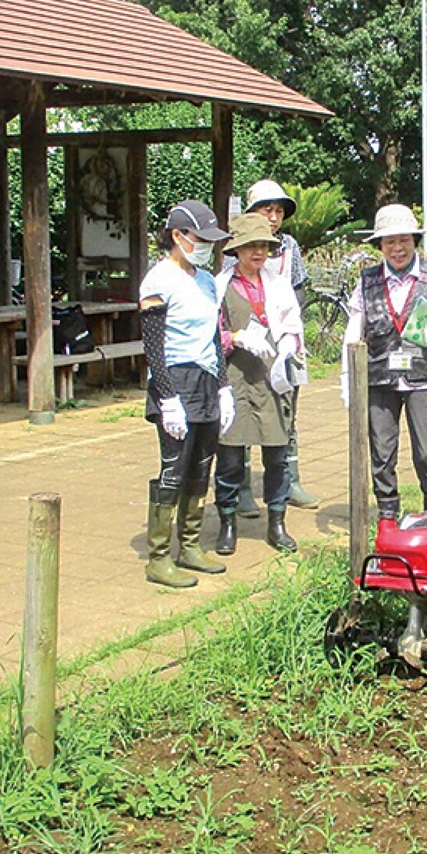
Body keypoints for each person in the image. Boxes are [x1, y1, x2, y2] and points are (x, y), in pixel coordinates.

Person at [342, 203, 427, 521]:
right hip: (380, 376)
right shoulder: (367, 282)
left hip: (426, 377)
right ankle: (387, 513)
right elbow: (354, 330)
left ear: (414, 241)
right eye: (390, 242)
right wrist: (347, 380)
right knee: (382, 448)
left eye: (404, 240)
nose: (397, 248)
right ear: (380, 246)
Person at [140, 200, 234, 588]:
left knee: (201, 466)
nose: (206, 246)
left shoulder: (207, 280)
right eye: (200, 239)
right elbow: (153, 344)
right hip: (175, 381)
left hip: (208, 380)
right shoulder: (158, 280)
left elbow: (213, 334)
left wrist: (225, 386)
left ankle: (190, 545)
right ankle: (159, 556)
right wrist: (166, 398)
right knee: (173, 469)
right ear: (177, 236)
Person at [212, 213, 304, 555]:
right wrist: (234, 337)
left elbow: (293, 324)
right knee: (231, 455)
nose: (259, 252)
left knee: (277, 453)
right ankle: (227, 522)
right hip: (235, 375)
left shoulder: (278, 283)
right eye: (251, 245)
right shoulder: (219, 286)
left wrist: (289, 346)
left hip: (272, 375)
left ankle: (277, 523)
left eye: (264, 245)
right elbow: (209, 335)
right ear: (237, 250)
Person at [231, 179, 319, 516]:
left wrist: (285, 327)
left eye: (279, 210)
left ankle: (289, 480)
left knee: (287, 411)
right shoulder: (236, 244)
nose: (273, 216)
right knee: (244, 411)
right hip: (247, 344)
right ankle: (241, 487)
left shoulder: (290, 247)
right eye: (267, 208)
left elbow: (299, 288)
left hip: (285, 341)